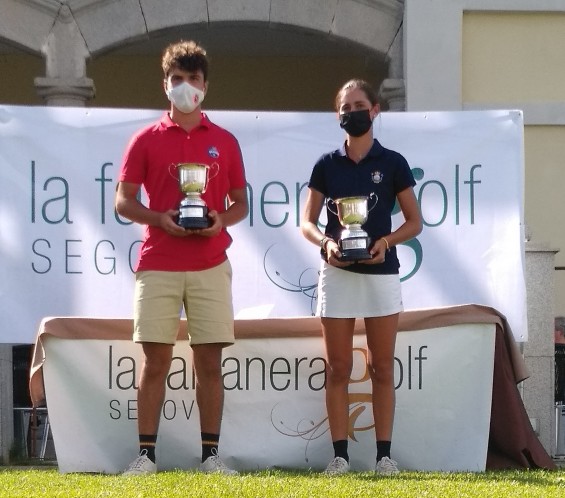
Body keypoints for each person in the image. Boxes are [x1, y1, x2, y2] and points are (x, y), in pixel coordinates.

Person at [115, 40, 248, 475]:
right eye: (177, 80)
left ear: (205, 86)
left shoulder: (225, 141)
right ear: (165, 85)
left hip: (211, 262)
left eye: (193, 80)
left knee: (209, 363)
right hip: (158, 263)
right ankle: (146, 456)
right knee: (155, 362)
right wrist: (158, 217)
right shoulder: (145, 140)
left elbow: (240, 203)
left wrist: (219, 221)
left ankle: (211, 456)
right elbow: (123, 201)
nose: (185, 87)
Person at [300, 79, 422, 475]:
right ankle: (340, 458)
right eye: (344, 106)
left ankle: (384, 457)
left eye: (358, 104)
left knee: (381, 367)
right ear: (338, 114)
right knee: (337, 368)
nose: (351, 111)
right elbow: (306, 222)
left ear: (374, 111)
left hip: (381, 274)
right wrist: (325, 244)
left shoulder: (393, 163)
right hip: (336, 275)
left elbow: (415, 222)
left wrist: (386, 242)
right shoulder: (325, 164)